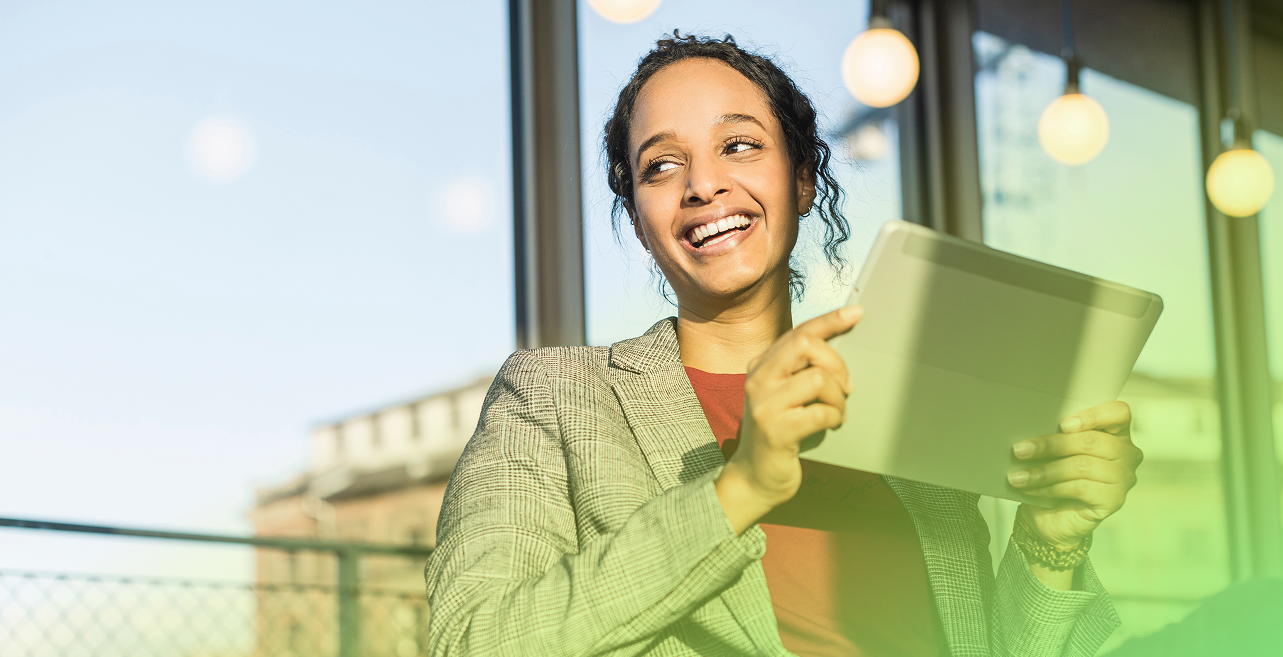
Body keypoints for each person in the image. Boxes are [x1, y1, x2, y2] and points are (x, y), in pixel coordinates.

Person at [425, 33, 1142, 657]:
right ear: (640, 223)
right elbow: (473, 639)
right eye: (661, 165)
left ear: (802, 181)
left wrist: (1051, 541)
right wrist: (740, 489)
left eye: (738, 146)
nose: (704, 184)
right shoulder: (556, 395)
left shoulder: (896, 399)